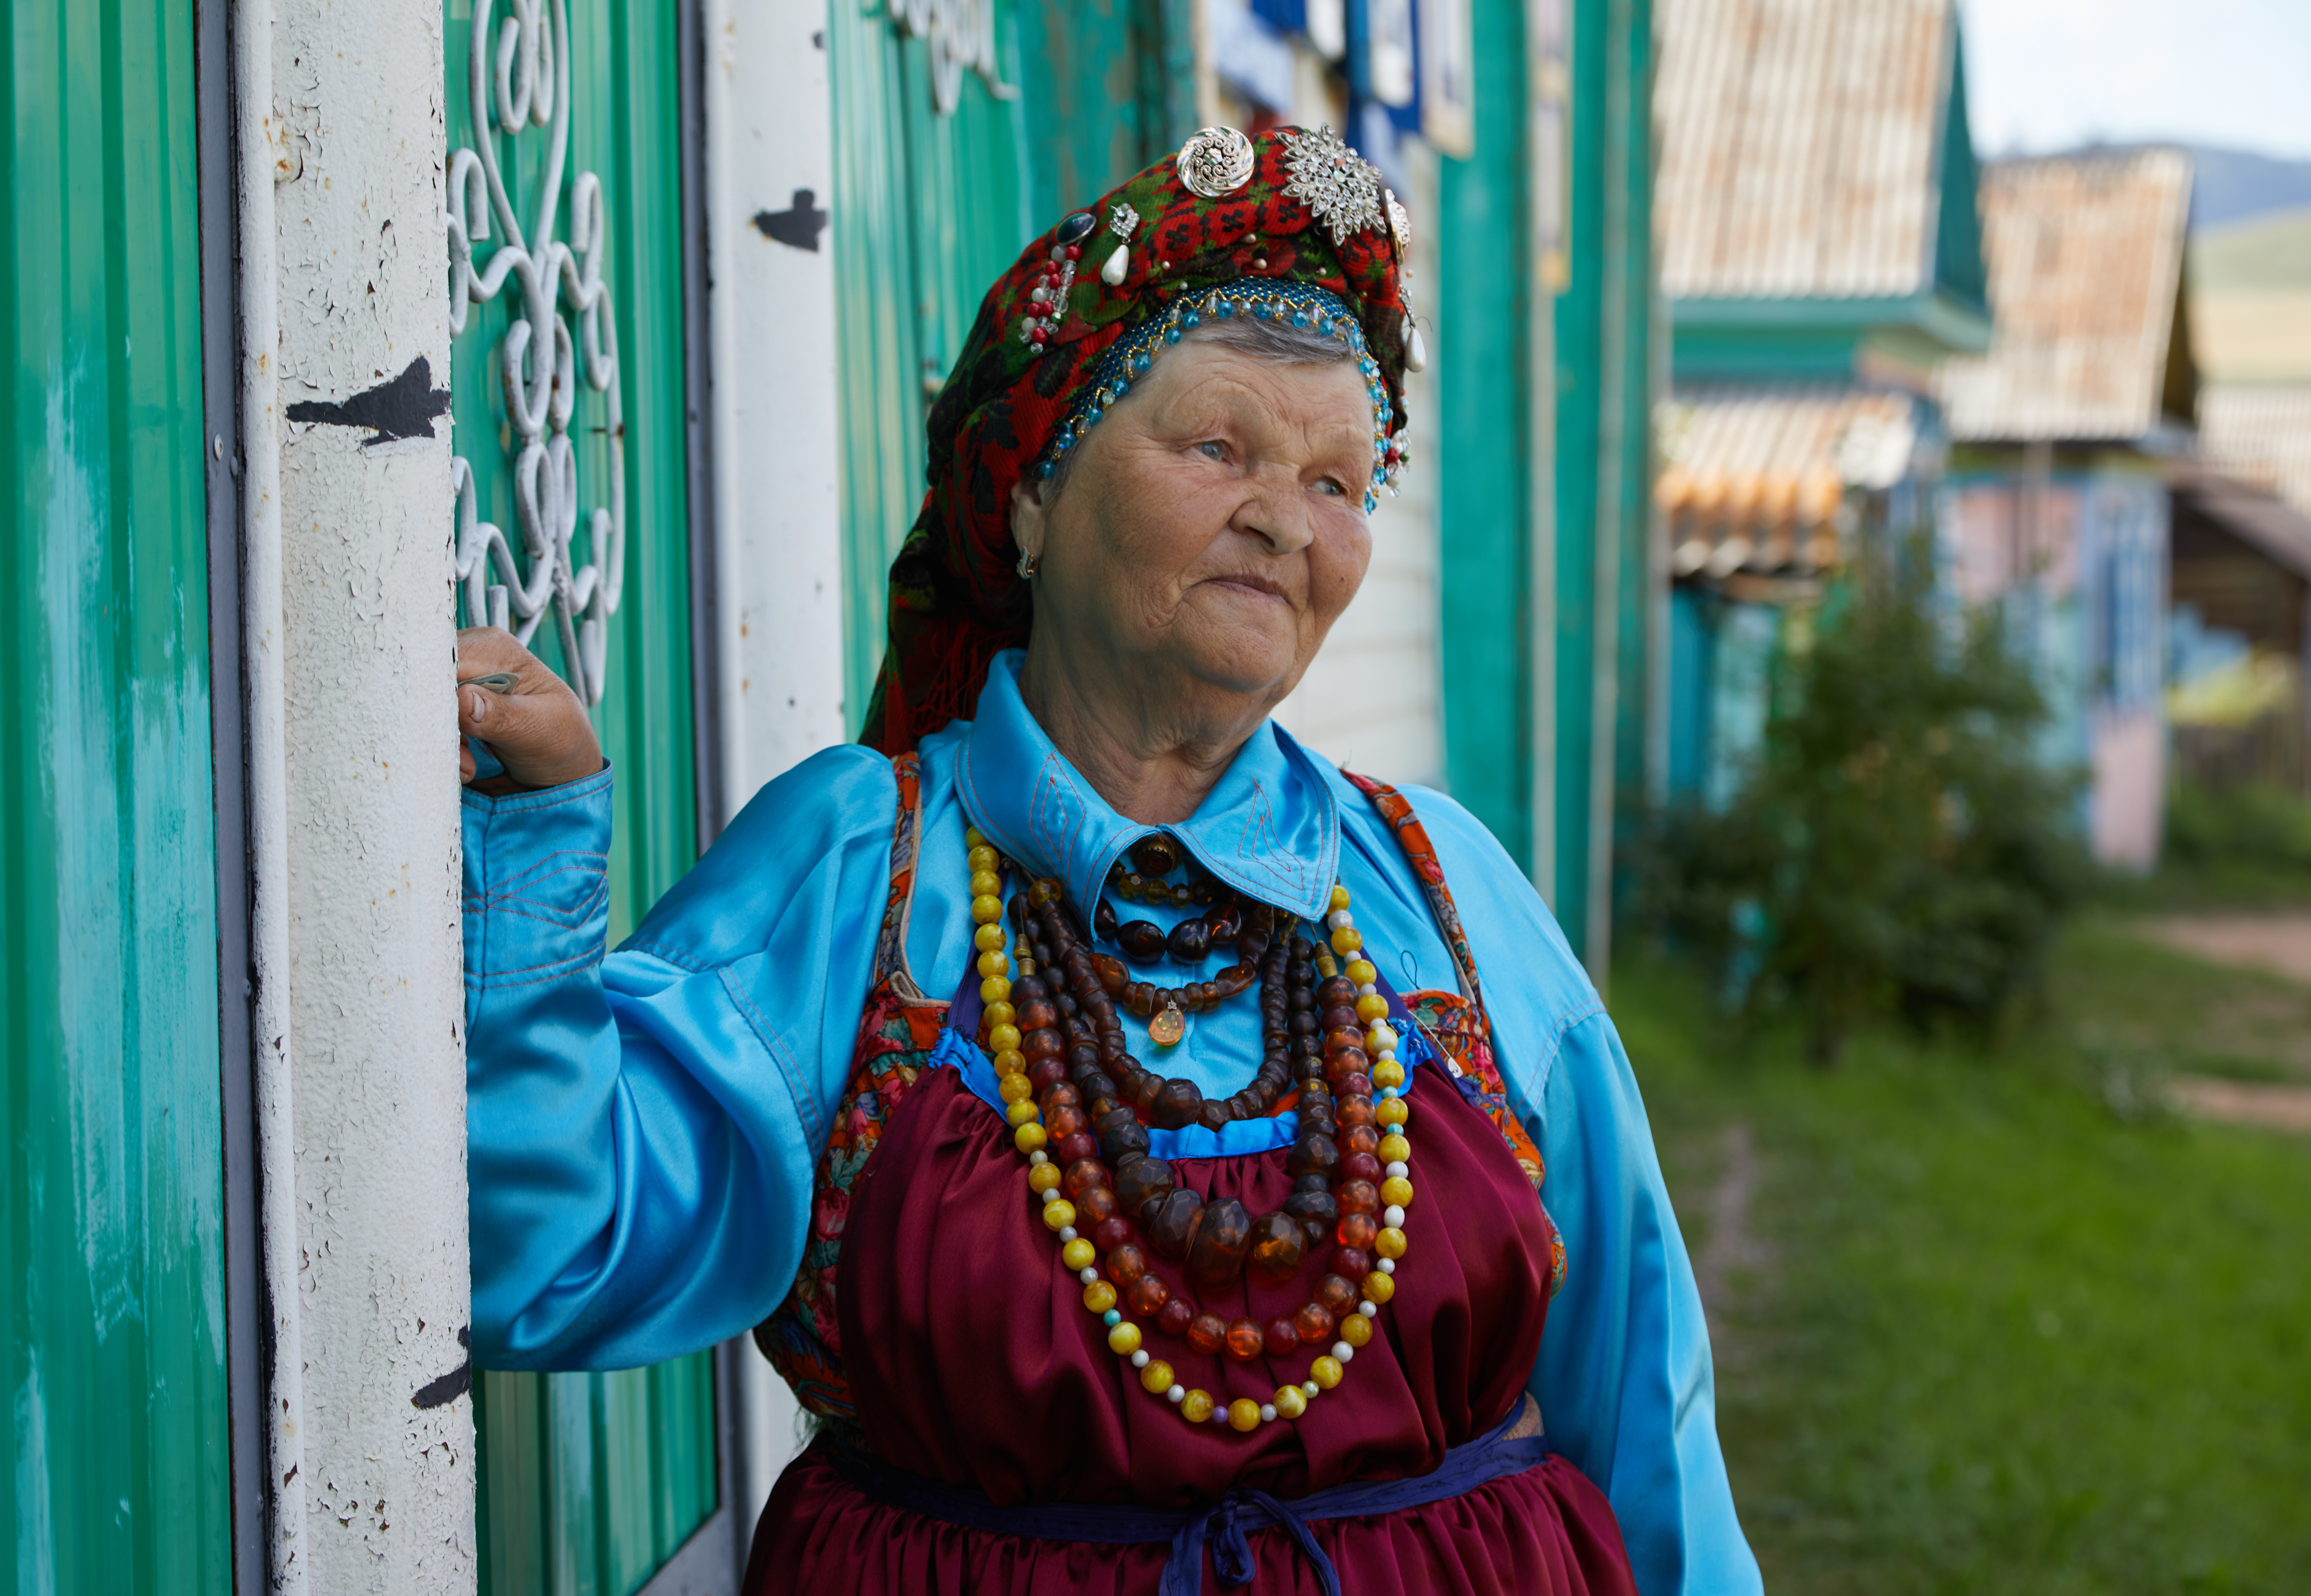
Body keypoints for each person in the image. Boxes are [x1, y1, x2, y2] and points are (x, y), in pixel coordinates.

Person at [456, 126, 1760, 1595]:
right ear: (1029, 493)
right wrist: (531, 835)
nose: (1286, 520)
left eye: (1342, 482)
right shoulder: (859, 876)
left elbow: (1641, 1391)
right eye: (1222, 448)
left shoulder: (1442, 892)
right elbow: (547, 1250)